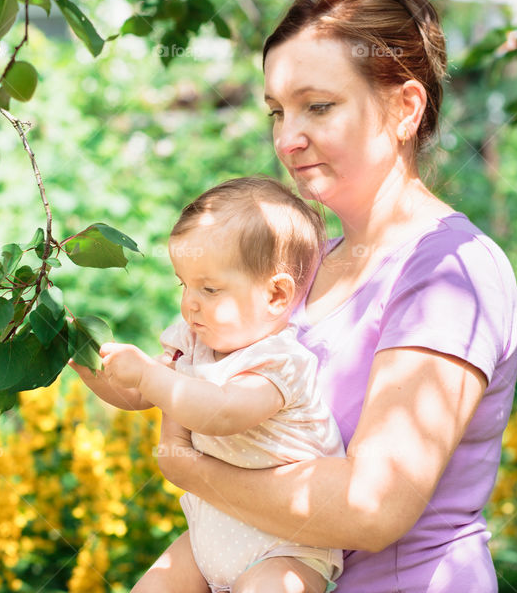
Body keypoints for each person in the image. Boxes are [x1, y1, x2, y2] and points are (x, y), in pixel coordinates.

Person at [140, 0, 517, 592]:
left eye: (318, 106)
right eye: (277, 111)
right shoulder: (303, 265)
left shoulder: (452, 273)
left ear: (404, 107)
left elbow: (370, 506)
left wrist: (188, 468)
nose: (289, 139)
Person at [77, 176, 347, 593]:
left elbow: (222, 412)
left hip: (287, 546)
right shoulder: (192, 341)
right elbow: (137, 396)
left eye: (209, 288)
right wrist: (88, 364)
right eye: (183, 284)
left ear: (276, 295)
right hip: (210, 533)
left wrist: (150, 373)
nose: (190, 303)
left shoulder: (280, 362)